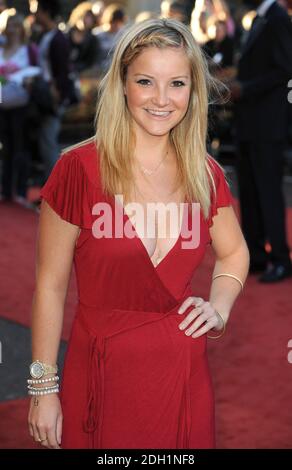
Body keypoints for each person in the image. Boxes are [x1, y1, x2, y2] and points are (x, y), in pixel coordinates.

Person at [28, 18, 249, 449]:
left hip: (184, 375)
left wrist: (218, 308)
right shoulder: (77, 170)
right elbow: (49, 286)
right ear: (123, 85)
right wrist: (42, 389)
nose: (162, 100)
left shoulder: (205, 175)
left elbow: (235, 253)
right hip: (101, 373)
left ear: (193, 90)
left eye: (178, 84)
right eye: (146, 81)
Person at [231, 0, 292, 282]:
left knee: (267, 192)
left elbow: (285, 70)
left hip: (268, 124)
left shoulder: (278, 18)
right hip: (248, 124)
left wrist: (245, 89)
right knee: (250, 192)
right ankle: (256, 256)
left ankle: (280, 258)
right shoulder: (259, 19)